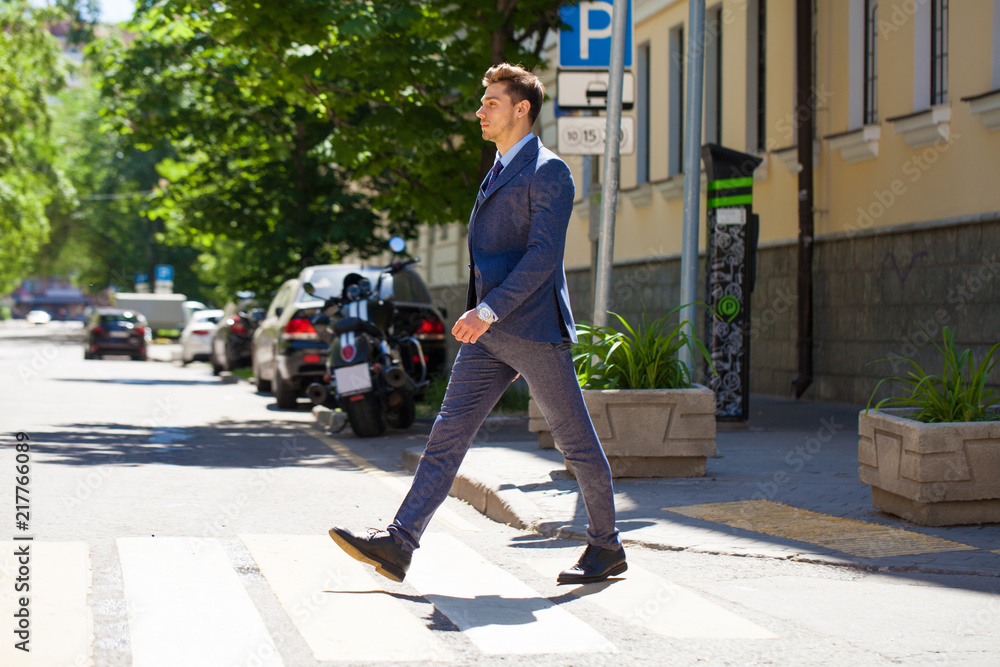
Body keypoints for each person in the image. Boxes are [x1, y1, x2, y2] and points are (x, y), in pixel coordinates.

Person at [329, 63, 625, 585]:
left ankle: (605, 546)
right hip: (489, 336)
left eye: (490, 102)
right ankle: (400, 543)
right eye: (482, 101)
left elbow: (542, 257)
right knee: (447, 436)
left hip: (531, 329)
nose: (479, 111)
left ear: (521, 108)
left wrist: (486, 310)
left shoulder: (548, 170)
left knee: (574, 440)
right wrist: (485, 317)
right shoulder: (497, 167)